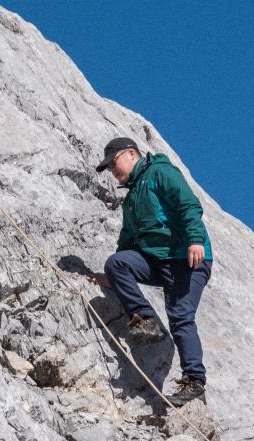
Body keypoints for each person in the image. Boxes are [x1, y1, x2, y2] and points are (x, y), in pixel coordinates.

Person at [95, 136, 214, 405]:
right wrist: (114, 277)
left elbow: (187, 203)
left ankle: (195, 380)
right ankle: (145, 319)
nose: (112, 171)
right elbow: (128, 239)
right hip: (160, 262)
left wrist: (195, 239)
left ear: (131, 154)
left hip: (188, 259)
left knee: (180, 317)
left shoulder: (160, 172)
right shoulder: (132, 197)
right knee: (117, 263)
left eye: (113, 163)